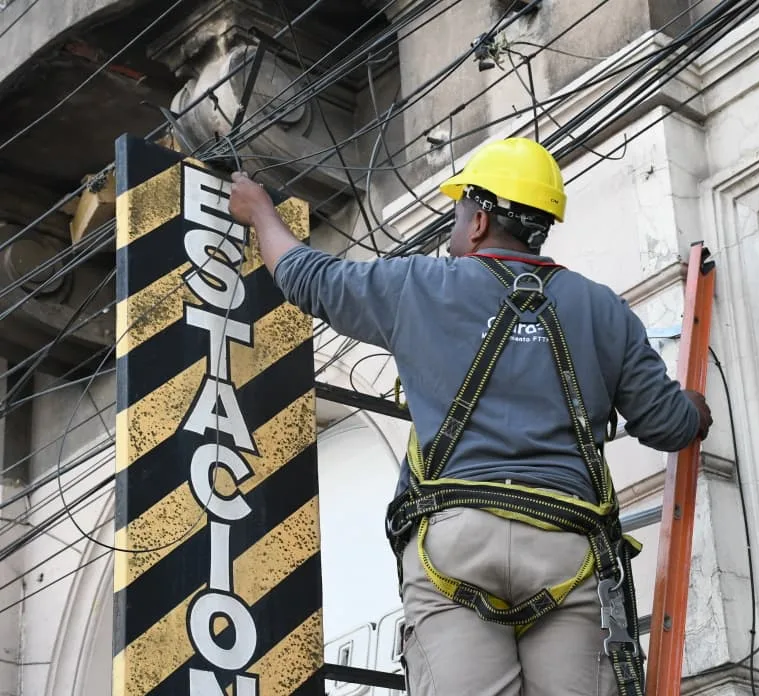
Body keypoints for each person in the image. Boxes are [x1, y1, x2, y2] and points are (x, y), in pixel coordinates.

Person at [228, 137, 711, 696]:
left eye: (457, 215)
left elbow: (306, 277)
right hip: (568, 545)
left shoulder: (419, 287)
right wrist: (694, 411)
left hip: (456, 543)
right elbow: (667, 425)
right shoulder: (603, 308)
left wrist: (260, 211)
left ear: (479, 221)